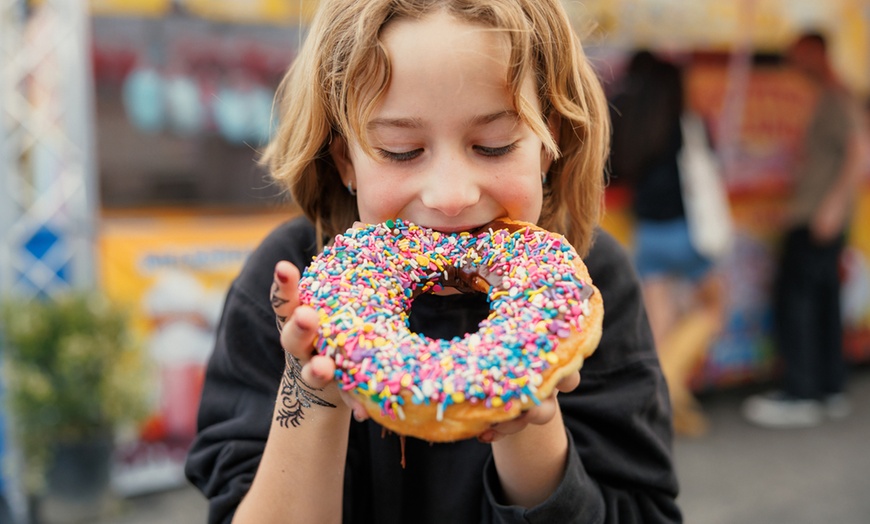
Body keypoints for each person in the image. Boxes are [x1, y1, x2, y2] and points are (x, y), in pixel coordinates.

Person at [185, 1, 681, 522]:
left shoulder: (588, 287)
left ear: (546, 143)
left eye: (493, 146)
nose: (450, 196)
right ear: (345, 161)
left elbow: (641, 508)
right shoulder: (290, 287)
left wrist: (530, 424)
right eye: (401, 150)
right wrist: (313, 387)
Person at [742, 32, 868, 429]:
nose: (793, 64)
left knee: (798, 302)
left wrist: (832, 206)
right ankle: (828, 386)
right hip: (820, 215)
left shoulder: (836, 96)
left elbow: (859, 152)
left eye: (798, 55)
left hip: (817, 218)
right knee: (825, 301)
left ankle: (801, 391)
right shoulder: (831, 96)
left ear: (816, 52)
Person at [607, 51, 726, 437]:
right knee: (713, 307)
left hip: (649, 236)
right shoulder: (689, 125)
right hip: (687, 233)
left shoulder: (629, 123)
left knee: (658, 329)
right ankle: (671, 384)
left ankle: (661, 401)